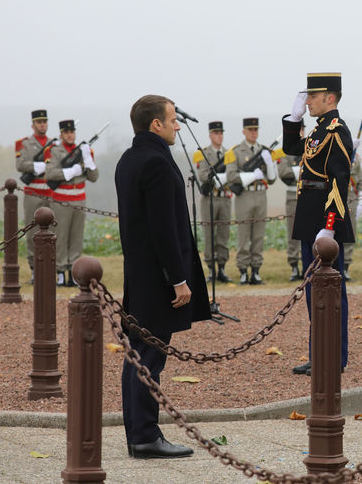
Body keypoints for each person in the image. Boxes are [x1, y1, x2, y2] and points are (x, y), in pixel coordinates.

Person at [115, 94, 211, 459]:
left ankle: (141, 433)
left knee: (139, 356)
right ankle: (144, 436)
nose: (178, 124)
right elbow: (163, 229)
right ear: (155, 124)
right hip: (157, 280)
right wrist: (178, 279)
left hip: (139, 275)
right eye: (173, 119)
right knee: (148, 358)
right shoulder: (155, 162)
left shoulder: (129, 159)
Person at [282, 72, 353, 376]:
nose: (307, 101)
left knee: (331, 291)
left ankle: (333, 356)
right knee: (314, 291)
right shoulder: (318, 130)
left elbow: (340, 182)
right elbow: (292, 149)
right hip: (310, 216)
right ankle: (318, 352)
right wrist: (293, 119)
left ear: (330, 98)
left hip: (324, 220)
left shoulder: (337, 131)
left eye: (312, 96)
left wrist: (330, 225)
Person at [44, 119, 99, 287]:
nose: (70, 135)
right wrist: (69, 171)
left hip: (79, 199)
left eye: (72, 132)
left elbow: (94, 177)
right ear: (61, 134)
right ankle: (60, 272)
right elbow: (50, 174)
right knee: (60, 237)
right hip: (61, 199)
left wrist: (88, 161)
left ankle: (75, 272)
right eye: (66, 132)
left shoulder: (84, 150)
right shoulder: (54, 151)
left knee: (76, 237)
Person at [225, 117, 277, 285]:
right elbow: (231, 176)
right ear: (244, 131)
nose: (254, 133)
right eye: (250, 130)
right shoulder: (236, 151)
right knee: (244, 235)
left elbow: (272, 179)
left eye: (256, 130)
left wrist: (269, 165)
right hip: (245, 195)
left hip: (261, 195)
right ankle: (242, 271)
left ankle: (255, 271)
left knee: (258, 236)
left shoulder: (263, 150)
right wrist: (251, 176)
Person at [15, 109, 54, 280]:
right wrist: (37, 167)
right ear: (33, 125)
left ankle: (52, 267)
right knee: (32, 231)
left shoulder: (54, 144)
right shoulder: (23, 143)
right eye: (39, 122)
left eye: (44, 122)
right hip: (33, 193)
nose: (42, 125)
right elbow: (20, 164)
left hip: (51, 193)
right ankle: (34, 268)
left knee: (52, 231)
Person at [193, 121, 232, 283]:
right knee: (209, 236)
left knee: (223, 234)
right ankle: (211, 269)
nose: (219, 136)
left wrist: (226, 178)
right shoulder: (202, 153)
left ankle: (222, 268)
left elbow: (233, 173)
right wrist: (219, 178)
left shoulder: (229, 154)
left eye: (221, 133)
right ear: (210, 135)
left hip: (224, 197)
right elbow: (202, 175)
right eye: (216, 133)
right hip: (209, 198)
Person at [274, 125, 303, 281]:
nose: (300, 133)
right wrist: (299, 170)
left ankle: (307, 265)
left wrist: (294, 170)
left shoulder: (310, 147)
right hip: (292, 193)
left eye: (302, 130)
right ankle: (294, 266)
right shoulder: (286, 151)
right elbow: (283, 172)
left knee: (308, 231)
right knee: (292, 232)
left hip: (308, 192)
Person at [344, 143, 362, 281]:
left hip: (351, 197)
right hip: (336, 196)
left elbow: (361, 181)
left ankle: (346, 266)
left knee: (349, 233)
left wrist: (361, 201)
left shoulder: (356, 158)